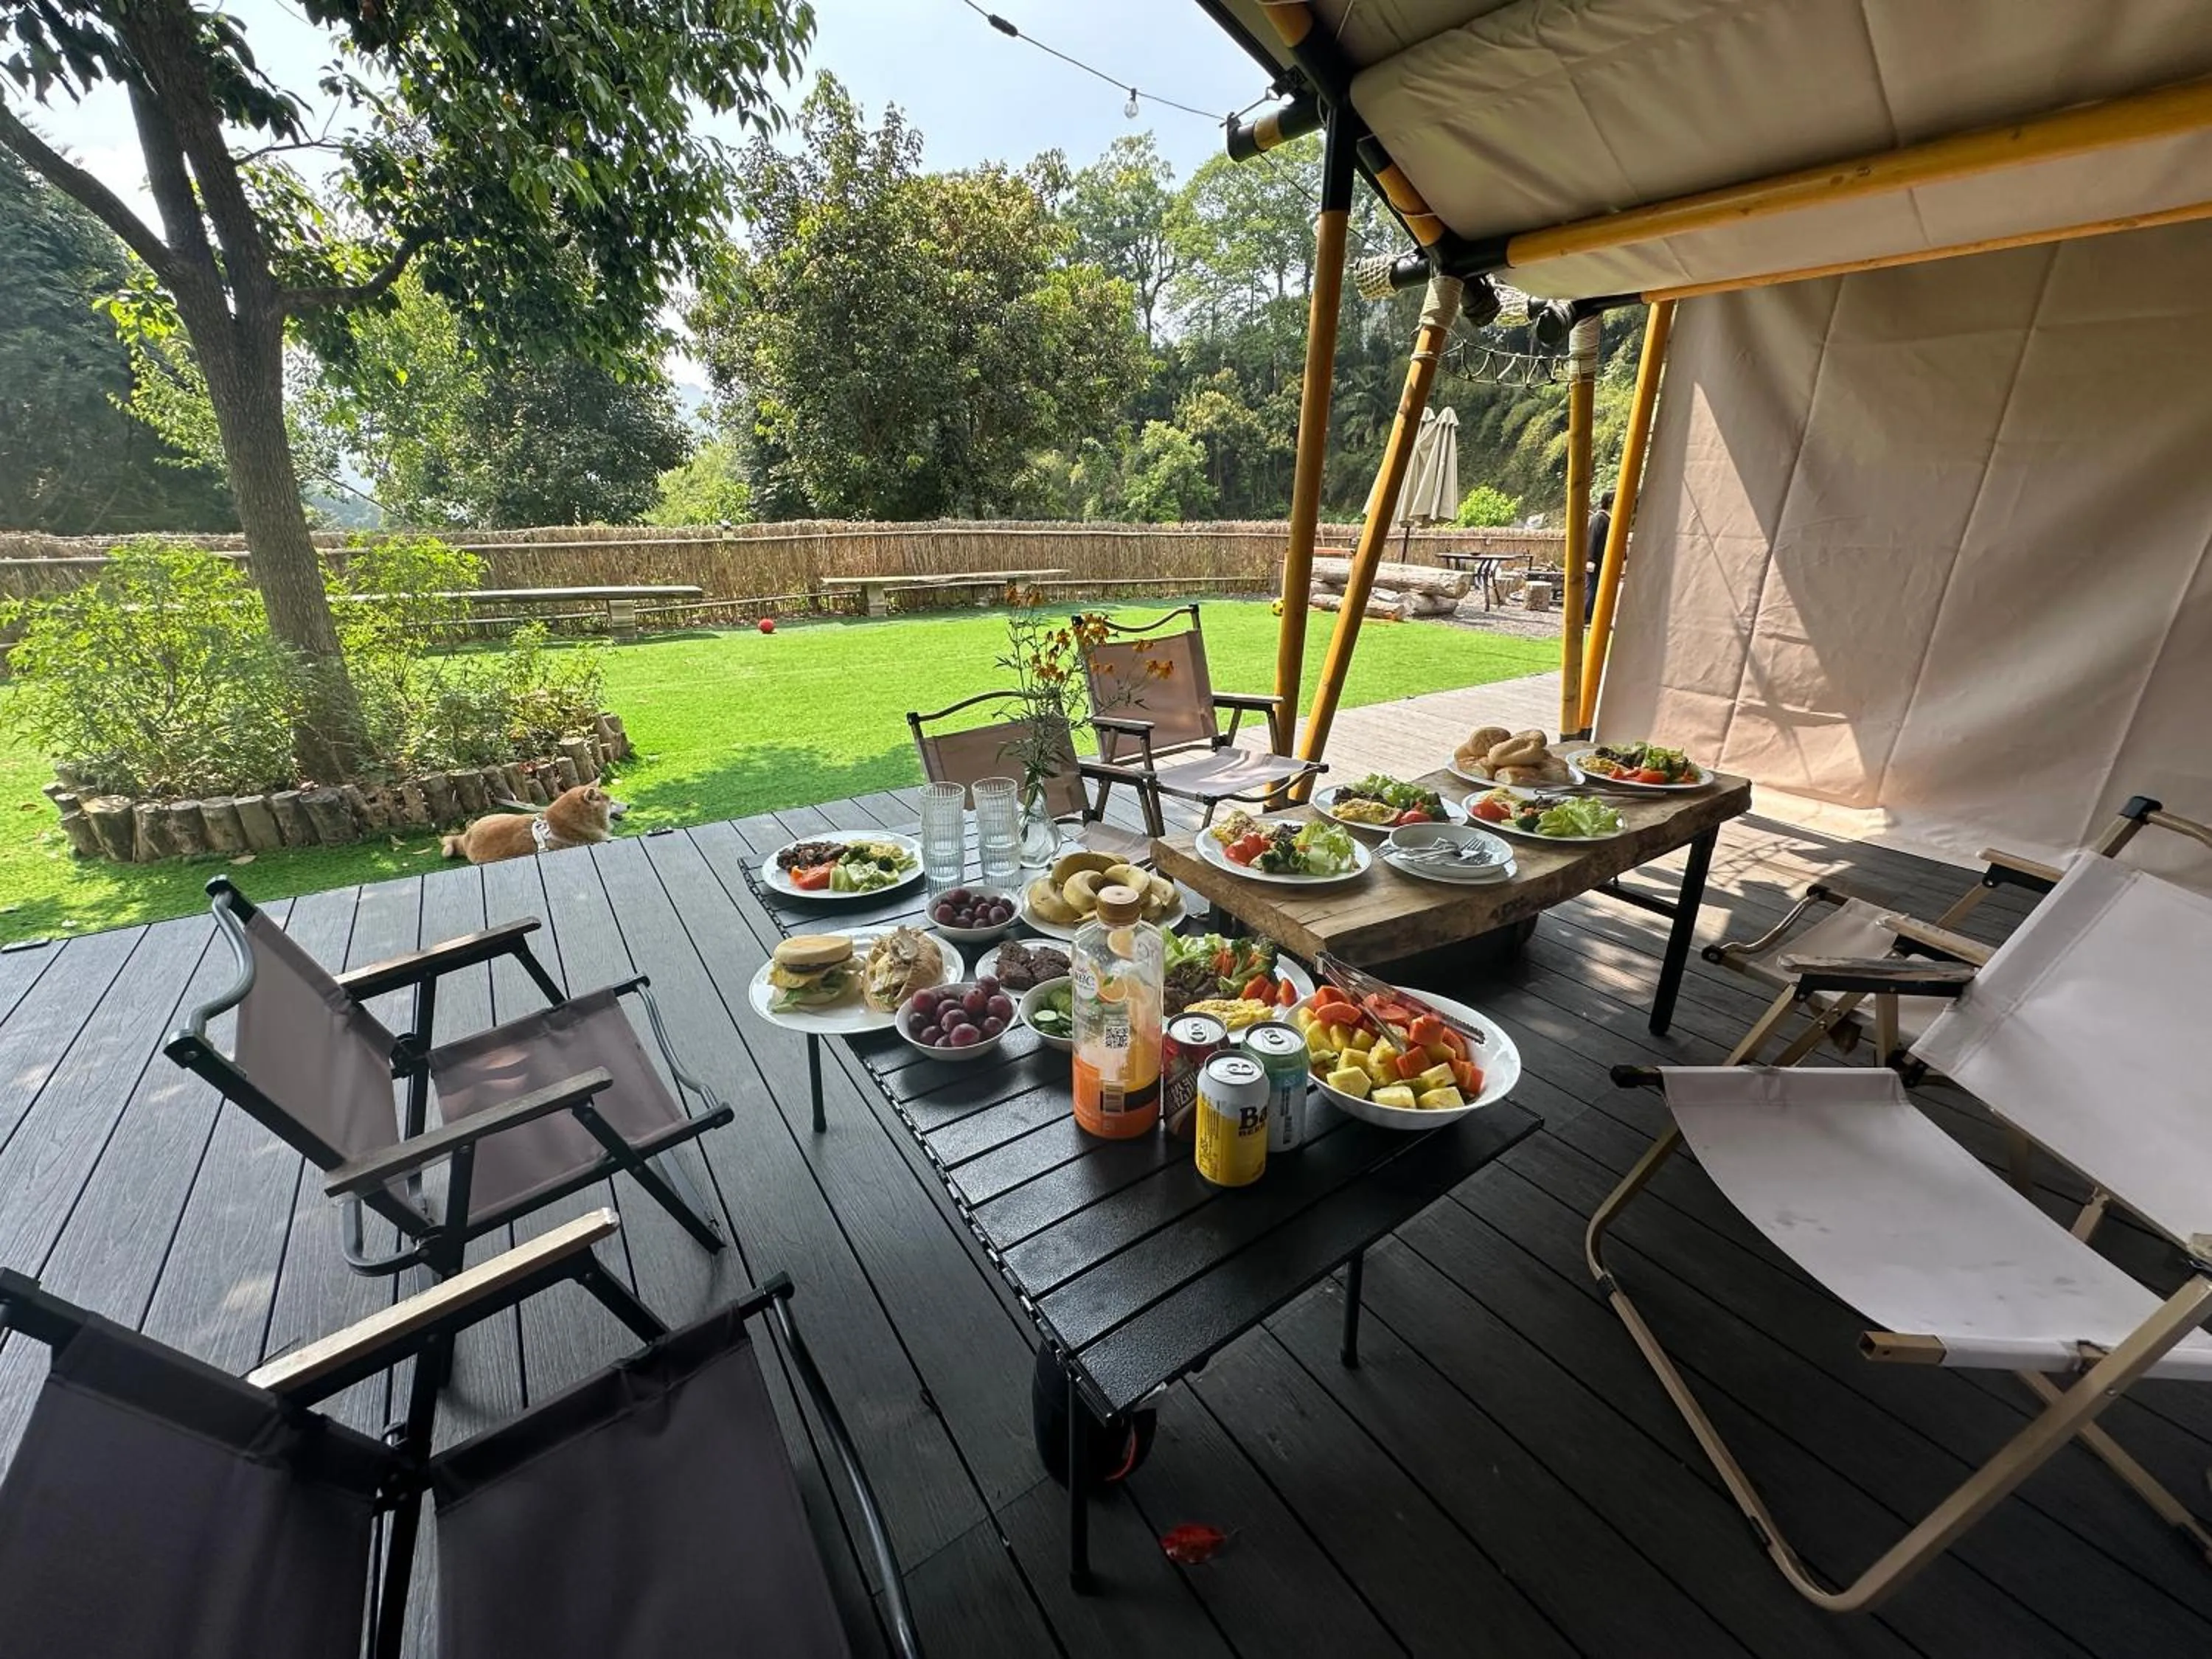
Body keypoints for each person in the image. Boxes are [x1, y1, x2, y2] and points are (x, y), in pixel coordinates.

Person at [1583, 488, 1615, 626]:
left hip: (1606, 561)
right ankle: (1586, 617)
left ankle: (1598, 616)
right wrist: (1589, 559)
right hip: (1596, 561)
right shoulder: (1599, 519)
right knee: (1592, 588)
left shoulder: (1611, 519)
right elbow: (1592, 539)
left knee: (1602, 589)